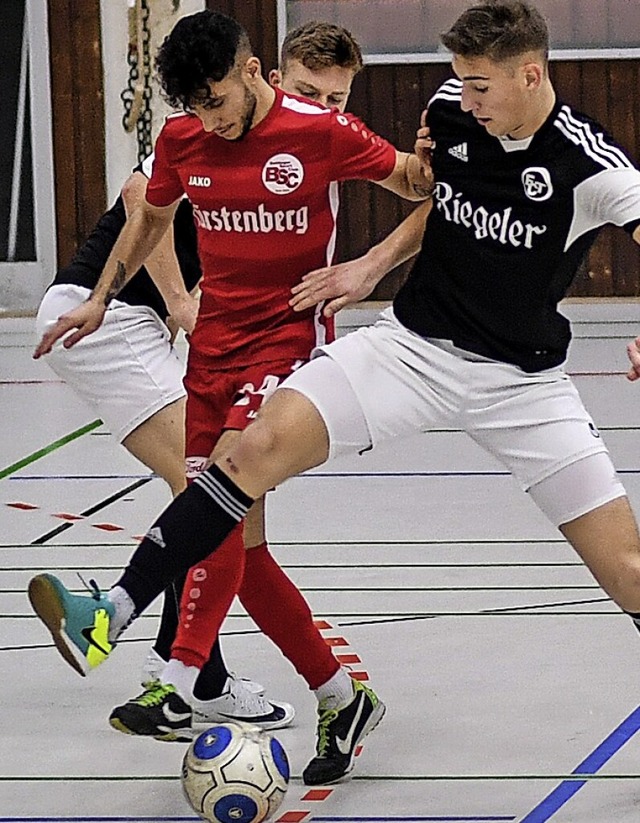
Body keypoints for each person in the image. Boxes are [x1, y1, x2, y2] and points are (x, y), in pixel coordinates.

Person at [29, 9, 429, 785]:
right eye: (196, 108)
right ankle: (340, 696)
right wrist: (101, 298)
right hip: (209, 353)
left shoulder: (322, 132)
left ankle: (155, 654)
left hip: (282, 349)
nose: (210, 120)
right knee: (236, 542)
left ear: (251, 72)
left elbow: (417, 186)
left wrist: (379, 252)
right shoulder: (185, 139)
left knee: (221, 486)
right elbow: (150, 216)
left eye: (216, 101)